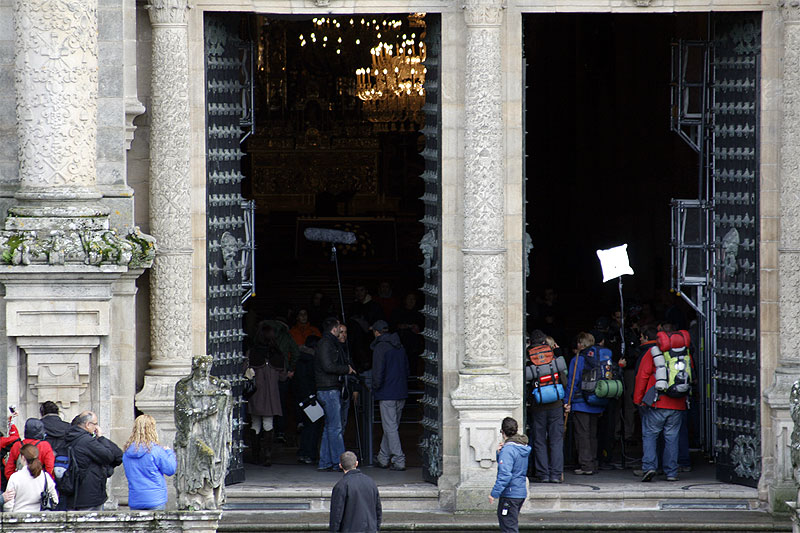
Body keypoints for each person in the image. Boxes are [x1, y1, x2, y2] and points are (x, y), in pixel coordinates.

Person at [174, 355, 233, 511]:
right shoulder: (183, 386)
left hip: (212, 433)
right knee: (197, 463)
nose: (204, 374)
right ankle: (196, 496)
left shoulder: (217, 386)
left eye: (207, 371)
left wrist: (225, 397)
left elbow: (225, 408)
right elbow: (182, 414)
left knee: (212, 462)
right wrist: (204, 412)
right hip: (194, 433)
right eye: (201, 371)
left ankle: (208, 495)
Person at [633, 332, 691, 482]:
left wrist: (638, 399)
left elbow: (642, 376)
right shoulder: (684, 354)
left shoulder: (652, 353)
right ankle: (671, 472)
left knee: (650, 435)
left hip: (656, 402)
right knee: (672, 438)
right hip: (678, 403)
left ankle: (649, 467)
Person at [525, 331, 567, 483]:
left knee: (539, 440)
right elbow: (564, 381)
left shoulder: (529, 360)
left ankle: (543, 474)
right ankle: (556, 474)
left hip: (538, 406)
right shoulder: (553, 358)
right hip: (556, 404)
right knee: (556, 440)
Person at [315, 317, 356, 471]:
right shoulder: (326, 343)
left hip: (327, 389)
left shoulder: (329, 342)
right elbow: (328, 366)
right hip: (328, 389)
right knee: (336, 429)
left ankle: (325, 462)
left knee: (329, 428)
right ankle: (341, 464)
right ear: (334, 328)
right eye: (339, 327)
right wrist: (346, 369)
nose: (341, 330)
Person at [247, 321, 290, 466]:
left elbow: (244, 372)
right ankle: (267, 456)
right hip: (272, 395)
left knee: (255, 423)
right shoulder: (278, 354)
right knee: (268, 423)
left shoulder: (252, 353)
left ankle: (255, 456)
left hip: (256, 394)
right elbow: (283, 376)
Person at [63, 410, 123, 510]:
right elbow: (110, 456)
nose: (96, 427)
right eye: (95, 424)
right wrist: (101, 437)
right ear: (87, 424)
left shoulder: (70, 437)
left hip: (75, 494)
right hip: (90, 495)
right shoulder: (87, 441)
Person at [370, 319, 409, 471]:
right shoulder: (400, 346)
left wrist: (375, 388)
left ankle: (399, 460)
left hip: (387, 393)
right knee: (391, 427)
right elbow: (406, 369)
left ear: (377, 332)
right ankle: (383, 457)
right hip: (401, 391)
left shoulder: (380, 347)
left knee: (390, 428)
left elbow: (378, 372)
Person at [564, 332, 604, 475]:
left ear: (581, 344)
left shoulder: (578, 359)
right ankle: (593, 462)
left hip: (580, 402)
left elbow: (572, 382)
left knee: (582, 435)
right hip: (596, 401)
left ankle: (586, 465)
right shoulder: (598, 358)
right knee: (592, 435)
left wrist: (567, 401)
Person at [122, 414, 176, 510]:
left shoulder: (127, 452)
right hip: (155, 499)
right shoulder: (155, 451)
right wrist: (169, 452)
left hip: (136, 500)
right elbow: (170, 469)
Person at [489, 417, 531, 533]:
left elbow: (505, 475)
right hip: (519, 492)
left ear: (503, 432)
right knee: (510, 524)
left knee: (508, 527)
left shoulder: (508, 450)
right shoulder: (522, 447)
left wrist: (494, 493)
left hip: (510, 493)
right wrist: (499, 454)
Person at [329, 451, 382, 533]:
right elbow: (378, 509)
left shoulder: (341, 486)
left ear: (340, 465)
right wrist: (376, 528)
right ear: (356, 463)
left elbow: (336, 515)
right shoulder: (370, 482)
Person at [4, 444, 58, 512]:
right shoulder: (45, 476)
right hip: (39, 518)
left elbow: (8, 505)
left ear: (23, 457)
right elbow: (55, 499)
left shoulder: (15, 477)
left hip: (18, 517)